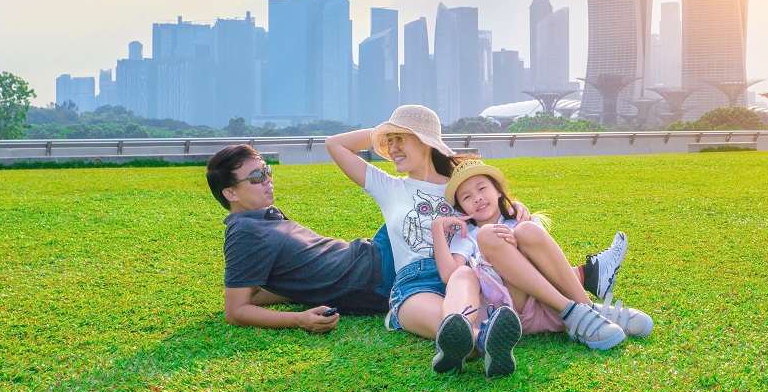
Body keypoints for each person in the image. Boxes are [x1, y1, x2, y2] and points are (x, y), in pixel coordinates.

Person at [325, 105, 631, 376]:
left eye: (400, 139)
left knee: (466, 279)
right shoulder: (388, 186)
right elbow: (334, 144)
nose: (392, 149)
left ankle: (581, 307)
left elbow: (490, 204)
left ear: (426, 141)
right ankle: (487, 344)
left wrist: (517, 205)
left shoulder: (459, 184)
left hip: (472, 276)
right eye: (388, 142)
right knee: (455, 333)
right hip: (415, 283)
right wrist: (388, 128)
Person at [433, 159, 653, 353]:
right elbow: (450, 274)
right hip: (515, 311)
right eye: (467, 197)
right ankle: (579, 310)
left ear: (498, 191)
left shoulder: (520, 220)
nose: (478, 198)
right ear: (461, 208)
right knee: (488, 234)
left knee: (526, 230)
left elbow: (548, 264)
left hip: (550, 305)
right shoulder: (468, 234)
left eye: (482, 188)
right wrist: (437, 230)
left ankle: (586, 310)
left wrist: (517, 239)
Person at [206, 144, 393, 334]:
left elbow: (254, 294)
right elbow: (235, 310)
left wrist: (306, 292)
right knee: (416, 204)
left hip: (373, 251)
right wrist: (299, 319)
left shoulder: (260, 219)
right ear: (231, 193)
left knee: (414, 202)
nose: (267, 179)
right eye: (256, 177)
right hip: (375, 274)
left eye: (266, 170)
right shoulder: (245, 232)